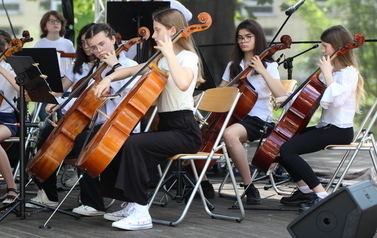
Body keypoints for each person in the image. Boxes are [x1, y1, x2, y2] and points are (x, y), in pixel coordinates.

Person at [93, 8, 204, 230]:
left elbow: (183, 83)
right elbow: (135, 70)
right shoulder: (162, 60)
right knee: (120, 142)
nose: (153, 36)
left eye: (157, 30)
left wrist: (169, 53)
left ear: (173, 31)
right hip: (167, 127)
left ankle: (142, 212)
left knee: (135, 144)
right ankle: (131, 203)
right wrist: (110, 77)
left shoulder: (186, 57)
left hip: (185, 131)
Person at [26, 23, 140, 216]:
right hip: (96, 123)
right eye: (94, 47)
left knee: (82, 140)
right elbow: (85, 100)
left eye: (102, 44)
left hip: (118, 127)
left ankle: (93, 202)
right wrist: (60, 103)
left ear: (114, 39)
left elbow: (132, 91)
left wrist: (115, 67)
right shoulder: (99, 68)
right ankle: (48, 193)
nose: (97, 51)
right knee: (47, 133)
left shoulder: (129, 66)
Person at [277, 25, 365, 211]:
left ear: (338, 46)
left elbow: (338, 100)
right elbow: (310, 96)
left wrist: (327, 74)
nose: (323, 50)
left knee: (288, 149)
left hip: (339, 130)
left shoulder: (350, 73)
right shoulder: (332, 73)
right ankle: (304, 190)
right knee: (280, 143)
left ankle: (321, 195)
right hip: (325, 127)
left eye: (326, 46)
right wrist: (287, 98)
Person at [214, 19, 286, 205]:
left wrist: (262, 71)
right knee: (199, 133)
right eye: (240, 38)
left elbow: (280, 94)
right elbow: (221, 90)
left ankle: (248, 186)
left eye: (248, 37)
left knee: (230, 135)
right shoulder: (233, 66)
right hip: (234, 116)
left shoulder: (269, 65)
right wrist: (203, 97)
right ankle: (202, 183)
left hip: (259, 119)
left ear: (257, 38)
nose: (243, 41)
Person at [34, 10, 75, 121]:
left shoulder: (68, 43)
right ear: (45, 26)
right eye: (51, 21)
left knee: (65, 114)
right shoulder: (40, 44)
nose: (55, 23)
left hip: (65, 82)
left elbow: (73, 63)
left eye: (58, 21)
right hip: (47, 85)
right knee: (44, 115)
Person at [0, 33, 20, 204]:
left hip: (7, 119)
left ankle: (12, 188)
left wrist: (1, 68)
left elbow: (21, 88)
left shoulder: (14, 68)